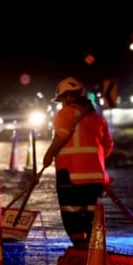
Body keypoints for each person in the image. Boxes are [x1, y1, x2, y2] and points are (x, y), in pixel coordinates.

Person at [42, 77, 114, 248]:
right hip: (95, 177)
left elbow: (62, 135)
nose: (61, 104)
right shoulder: (97, 118)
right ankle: (89, 247)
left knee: (71, 212)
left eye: (61, 100)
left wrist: (49, 154)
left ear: (68, 97)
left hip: (70, 175)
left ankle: (79, 247)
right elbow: (108, 146)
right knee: (90, 213)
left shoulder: (65, 113)